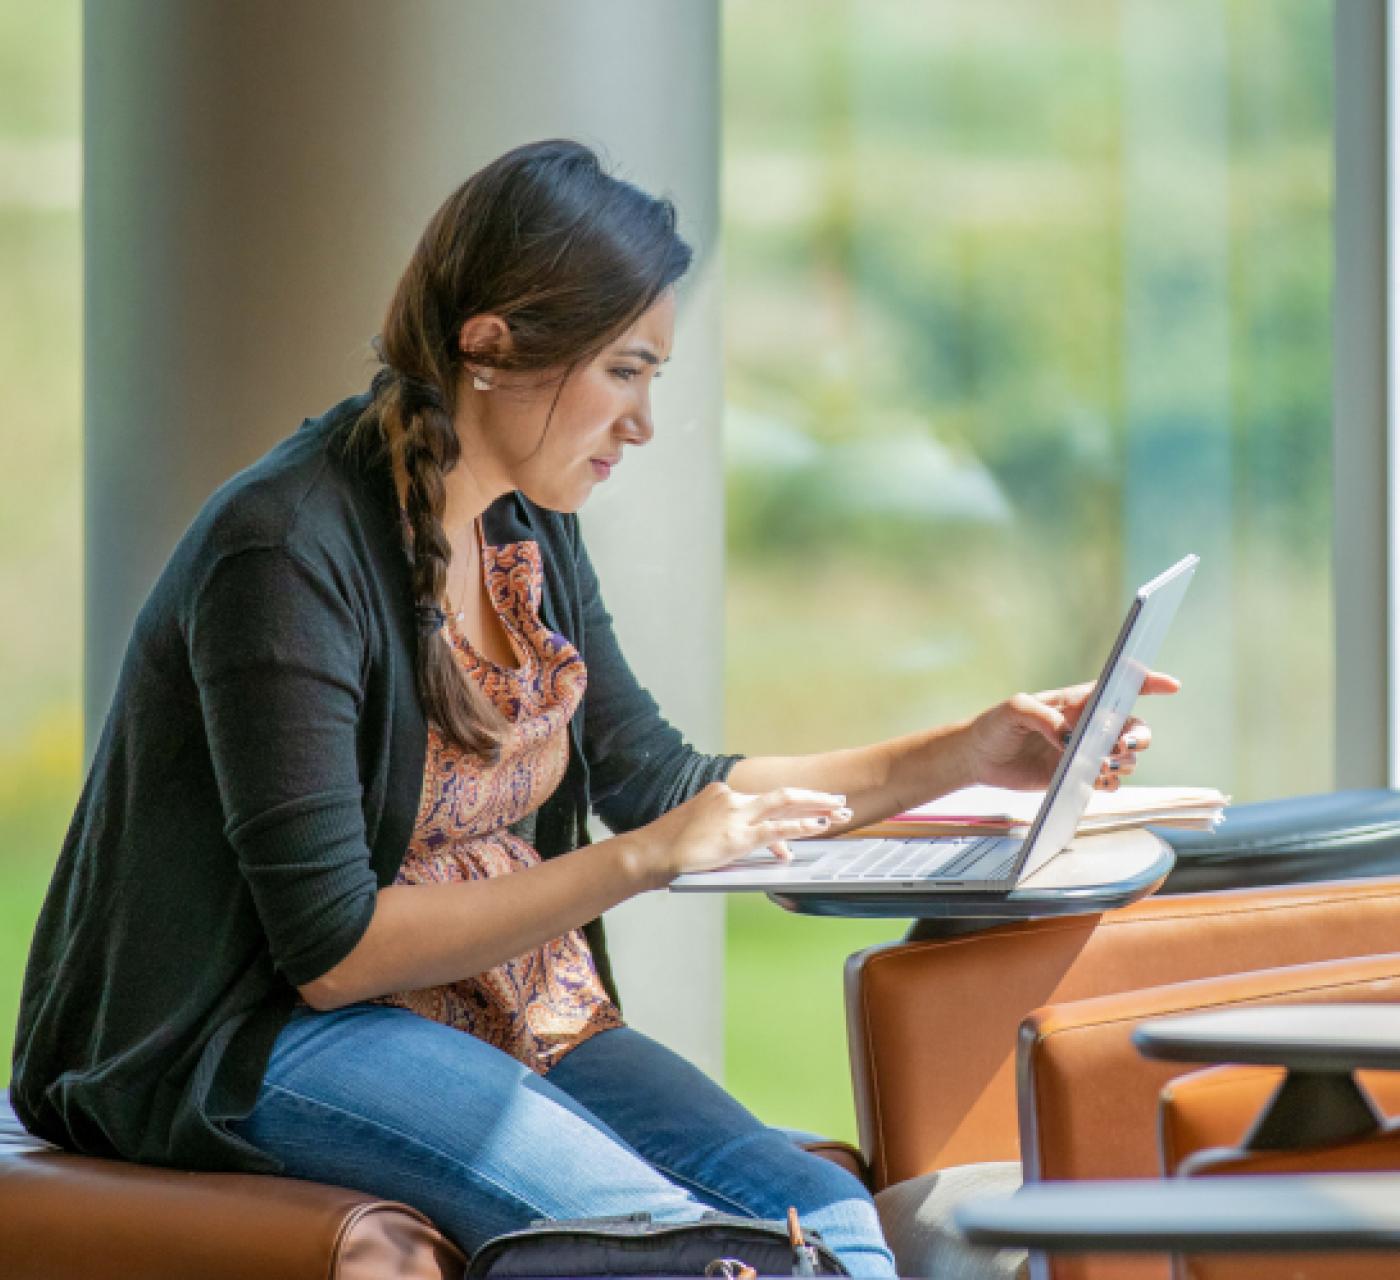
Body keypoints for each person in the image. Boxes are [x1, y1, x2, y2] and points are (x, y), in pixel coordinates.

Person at [9, 139, 1176, 1277]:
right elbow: (331, 950)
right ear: (489, 345)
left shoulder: (523, 518)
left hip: (497, 1003)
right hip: (245, 1036)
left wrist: (971, 749)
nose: (643, 422)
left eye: (653, 375)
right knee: (677, 1251)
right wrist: (645, 862)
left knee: (828, 1215)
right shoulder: (281, 548)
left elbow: (660, 777)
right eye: (623, 369)